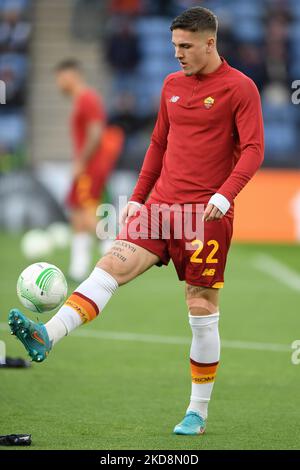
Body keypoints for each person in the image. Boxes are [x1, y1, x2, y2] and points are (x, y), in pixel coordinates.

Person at [8, 7, 264, 436]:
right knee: (108, 267)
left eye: (185, 46)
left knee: (200, 309)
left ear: (209, 42)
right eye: (173, 46)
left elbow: (254, 149)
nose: (177, 54)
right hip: (161, 208)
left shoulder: (241, 88)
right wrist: (139, 198)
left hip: (204, 217)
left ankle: (196, 412)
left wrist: (225, 193)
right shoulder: (170, 86)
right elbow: (158, 144)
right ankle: (45, 337)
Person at [55, 59, 123, 281]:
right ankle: (79, 267)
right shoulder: (82, 100)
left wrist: (81, 162)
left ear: (72, 75)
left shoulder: (87, 99)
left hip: (91, 165)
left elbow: (96, 133)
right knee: (76, 210)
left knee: (86, 211)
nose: (58, 83)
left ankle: (114, 258)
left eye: (60, 77)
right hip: (88, 164)